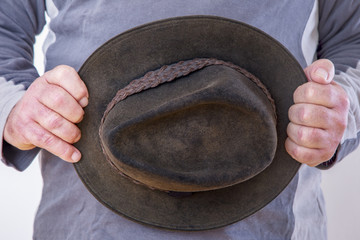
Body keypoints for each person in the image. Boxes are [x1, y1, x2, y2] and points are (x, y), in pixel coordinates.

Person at [0, 0, 359, 239]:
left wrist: (342, 107)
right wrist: (15, 106)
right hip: (85, 224)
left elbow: (352, 40)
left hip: (272, 225)